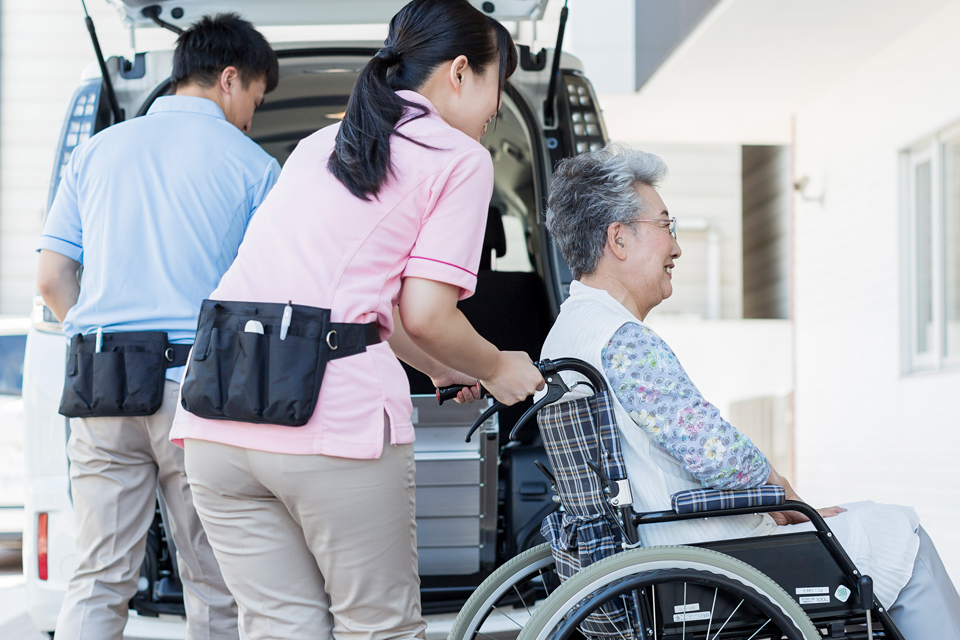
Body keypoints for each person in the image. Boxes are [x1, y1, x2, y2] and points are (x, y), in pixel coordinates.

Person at [168, 1, 544, 639]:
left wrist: (436, 368)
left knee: (279, 628)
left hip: (216, 421)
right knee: (379, 629)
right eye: (496, 87)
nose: (495, 110)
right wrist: (500, 366)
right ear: (459, 72)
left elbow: (356, 304)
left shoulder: (320, 145)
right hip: (328, 423)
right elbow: (425, 312)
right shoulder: (456, 156)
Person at [539, 144, 960, 639]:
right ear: (619, 239)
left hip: (652, 556)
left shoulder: (567, 334)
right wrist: (787, 497)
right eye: (665, 227)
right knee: (900, 535)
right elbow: (717, 454)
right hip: (702, 557)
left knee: (866, 525)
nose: (677, 248)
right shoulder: (622, 340)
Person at [35, 14, 280, 640]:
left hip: (100, 382)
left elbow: (52, 276)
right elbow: (271, 293)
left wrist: (95, 335)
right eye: (256, 96)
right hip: (197, 390)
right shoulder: (254, 167)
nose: (252, 114)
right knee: (215, 580)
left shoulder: (96, 151)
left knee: (97, 576)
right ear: (230, 79)